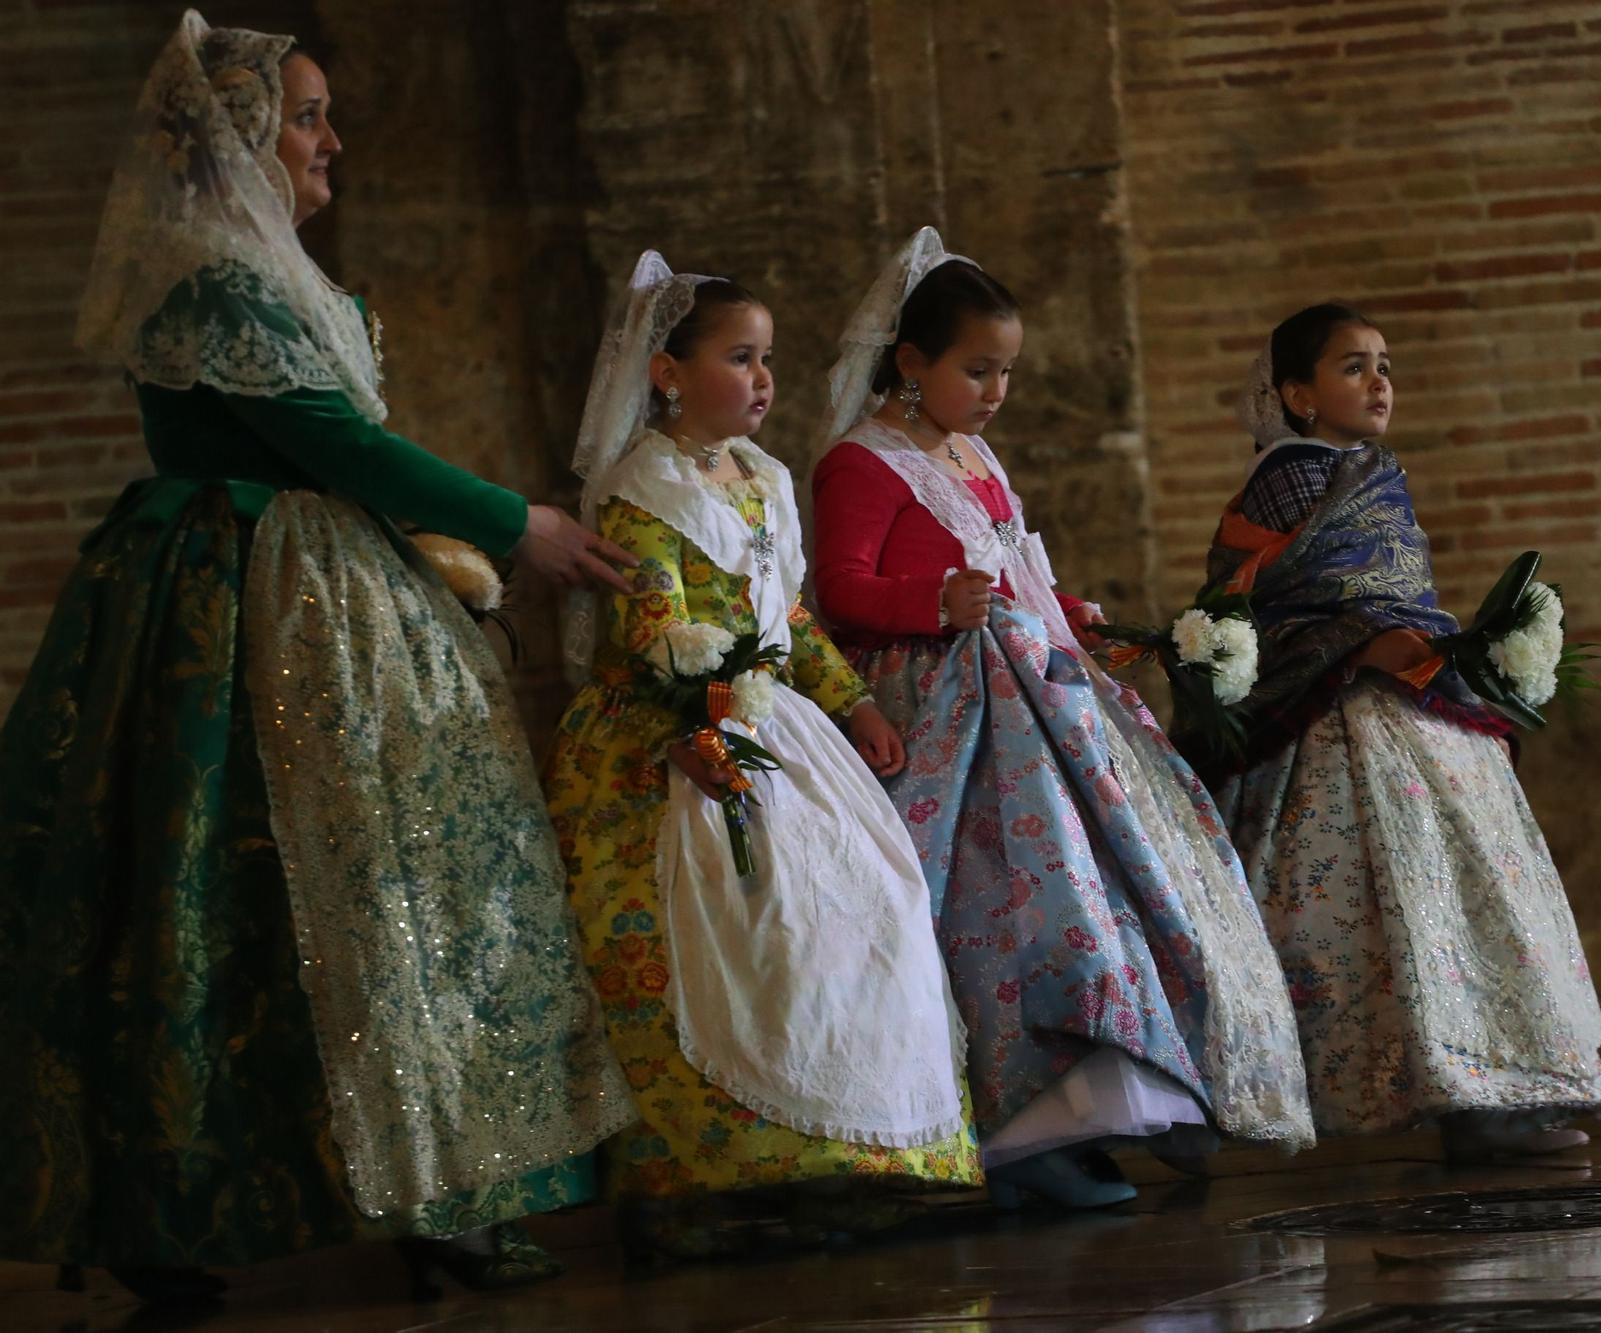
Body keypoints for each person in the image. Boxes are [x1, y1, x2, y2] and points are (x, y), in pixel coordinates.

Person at [0, 10, 636, 1304]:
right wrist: (526, 524)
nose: (331, 137)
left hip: (324, 594)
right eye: (304, 115)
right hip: (243, 610)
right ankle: (181, 1210)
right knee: (226, 897)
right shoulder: (214, 278)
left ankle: (441, 1184)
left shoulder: (274, 270)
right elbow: (342, 451)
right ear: (239, 138)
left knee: (405, 894)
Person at [812, 227, 1314, 1209]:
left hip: (1039, 692)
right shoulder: (858, 463)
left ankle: (1137, 1099)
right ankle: (1022, 1130)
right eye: (976, 369)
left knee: (1125, 879)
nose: (994, 390)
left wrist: (1065, 609)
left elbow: (1010, 560)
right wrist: (930, 601)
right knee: (1018, 909)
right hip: (951, 718)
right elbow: (838, 590)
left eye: (1005, 371)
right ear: (909, 360)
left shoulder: (974, 454)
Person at [545, 253, 981, 1263]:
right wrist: (685, 725)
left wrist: (853, 698)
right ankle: (706, 1172)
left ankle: (848, 1158)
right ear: (666, 373)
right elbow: (650, 627)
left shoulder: (768, 479)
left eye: (767, 358)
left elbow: (785, 614)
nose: (762, 378)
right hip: (675, 731)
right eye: (738, 357)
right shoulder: (635, 490)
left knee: (872, 899)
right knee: (740, 915)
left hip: (769, 715)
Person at [1195, 302, 1601, 1162]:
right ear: (1298, 394)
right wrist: (1358, 645)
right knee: (1383, 905)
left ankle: (1498, 1081)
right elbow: (1253, 608)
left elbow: (1390, 590)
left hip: (1417, 703)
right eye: (1354, 366)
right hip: (1338, 720)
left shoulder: (1374, 469)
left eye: (1385, 364)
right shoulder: (1285, 478)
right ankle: (1427, 1089)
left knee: (1465, 891)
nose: (1379, 381)